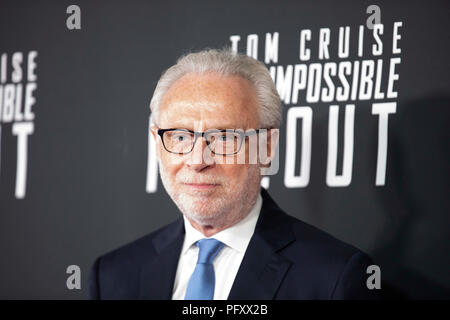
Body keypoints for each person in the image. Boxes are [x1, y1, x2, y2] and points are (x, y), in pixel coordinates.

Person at [88, 49, 378, 300]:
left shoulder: (334, 278)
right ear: (156, 143)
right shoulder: (113, 275)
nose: (197, 160)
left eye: (224, 137)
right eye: (179, 137)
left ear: (266, 147)